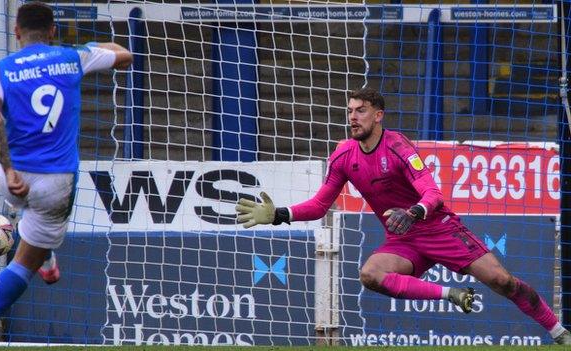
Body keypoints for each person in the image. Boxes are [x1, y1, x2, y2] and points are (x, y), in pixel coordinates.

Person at [236, 87, 571, 345]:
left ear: (378, 115)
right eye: (350, 111)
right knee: (370, 274)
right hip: (403, 239)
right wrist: (279, 213)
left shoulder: (398, 147)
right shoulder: (343, 155)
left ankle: (559, 333)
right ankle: (449, 294)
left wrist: (413, 212)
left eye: (361, 111)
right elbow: (320, 205)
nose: (353, 117)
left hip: (438, 229)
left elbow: (434, 194)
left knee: (503, 282)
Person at [0, 2, 132, 350]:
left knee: (29, 211)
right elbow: (124, 54)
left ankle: (46, 256)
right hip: (55, 182)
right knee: (25, 262)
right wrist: (90, 49)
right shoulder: (71, 58)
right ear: (52, 31)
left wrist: (8, 169)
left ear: (16, 32)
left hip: (12, 178)